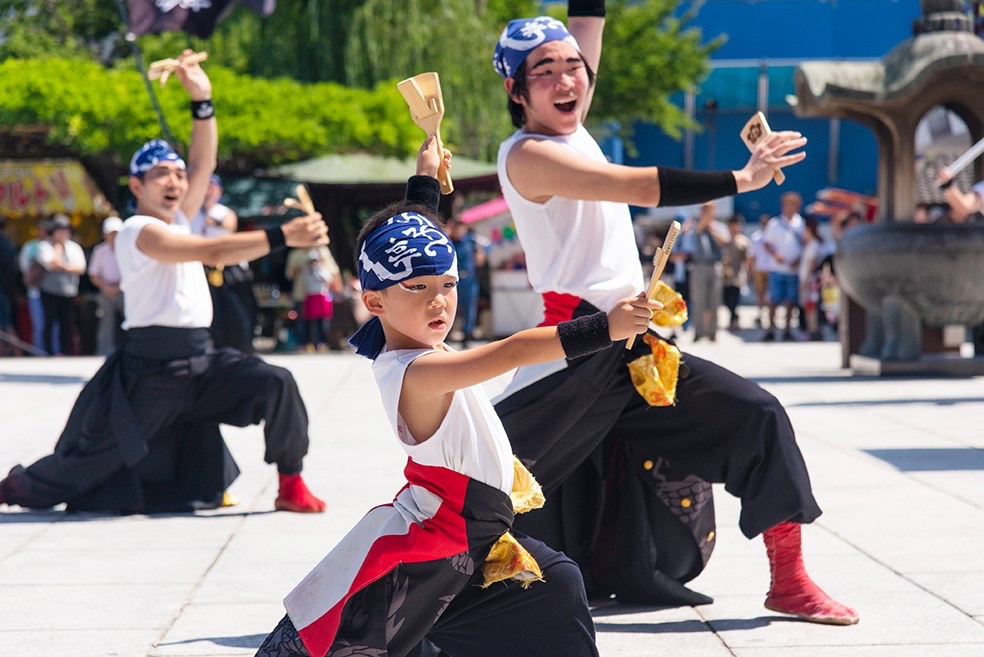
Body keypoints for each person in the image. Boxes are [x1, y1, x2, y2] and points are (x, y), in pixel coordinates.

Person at [491, 5, 857, 625]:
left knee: (755, 414)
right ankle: (419, 595)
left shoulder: (570, 114)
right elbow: (636, 186)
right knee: (489, 481)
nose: (566, 79)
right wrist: (742, 178)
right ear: (515, 90)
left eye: (573, 67)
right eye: (544, 71)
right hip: (571, 347)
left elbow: (588, 23)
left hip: (632, 345)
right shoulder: (529, 154)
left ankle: (789, 581)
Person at [255, 134, 653, 657]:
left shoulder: (408, 337)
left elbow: (414, 247)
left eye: (447, 284)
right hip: (438, 547)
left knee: (556, 586)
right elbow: (510, 351)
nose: (438, 300)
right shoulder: (416, 370)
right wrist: (604, 328)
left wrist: (423, 186)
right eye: (418, 290)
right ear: (373, 301)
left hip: (475, 535)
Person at [0, 51, 326, 515]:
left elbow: (204, 157)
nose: (174, 181)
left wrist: (203, 100)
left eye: (178, 173)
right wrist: (281, 236)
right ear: (137, 187)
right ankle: (12, 490)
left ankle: (291, 483)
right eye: (160, 175)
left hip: (202, 358)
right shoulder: (137, 231)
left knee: (277, 382)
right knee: (91, 463)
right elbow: (212, 252)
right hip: (152, 369)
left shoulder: (182, 218)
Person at [191, 174, 257, 353]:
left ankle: (241, 348)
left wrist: (213, 220)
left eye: (212, 187)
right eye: (205, 186)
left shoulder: (223, 211)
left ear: (219, 191)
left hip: (227, 268)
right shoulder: (191, 213)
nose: (208, 190)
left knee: (236, 312)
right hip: (201, 268)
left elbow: (230, 224)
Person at [37, 213, 86, 355]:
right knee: (49, 322)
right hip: (49, 291)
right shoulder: (45, 246)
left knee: (68, 323)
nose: (63, 233)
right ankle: (48, 352)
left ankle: (67, 352)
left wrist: (62, 266)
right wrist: (58, 247)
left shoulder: (74, 247)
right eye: (60, 230)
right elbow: (51, 264)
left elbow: (80, 268)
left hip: (69, 290)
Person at [679, 201, 728, 341]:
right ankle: (698, 332)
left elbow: (724, 242)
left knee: (715, 300)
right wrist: (702, 225)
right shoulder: (694, 228)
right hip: (699, 266)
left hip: (715, 266)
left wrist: (711, 228)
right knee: (698, 299)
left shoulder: (719, 227)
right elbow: (690, 242)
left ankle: (713, 332)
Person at [762, 192, 804, 341]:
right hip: (777, 268)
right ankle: (770, 329)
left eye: (793, 204)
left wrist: (799, 259)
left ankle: (787, 330)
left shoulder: (801, 224)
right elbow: (767, 244)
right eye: (788, 204)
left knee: (790, 301)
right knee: (773, 300)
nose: (790, 208)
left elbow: (806, 243)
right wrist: (776, 255)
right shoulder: (775, 224)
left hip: (793, 269)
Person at [445, 217, 487, 346]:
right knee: (451, 307)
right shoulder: (448, 241)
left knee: (470, 308)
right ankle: (447, 334)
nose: (459, 230)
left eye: (461, 228)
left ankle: (467, 335)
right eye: (457, 228)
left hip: (470, 279)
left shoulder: (471, 240)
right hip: (454, 281)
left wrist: (481, 254)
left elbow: (487, 245)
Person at [88, 214, 125, 355]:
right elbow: (93, 274)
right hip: (105, 290)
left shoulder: (129, 249)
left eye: (116, 233)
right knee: (105, 322)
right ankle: (104, 352)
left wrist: (120, 286)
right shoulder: (100, 251)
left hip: (125, 290)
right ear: (105, 235)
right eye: (111, 233)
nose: (114, 236)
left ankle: (130, 350)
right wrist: (105, 287)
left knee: (131, 322)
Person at [18, 217, 51, 350]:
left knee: (53, 325)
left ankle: (55, 351)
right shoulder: (30, 246)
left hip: (52, 290)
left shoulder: (53, 245)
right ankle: (39, 350)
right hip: (35, 291)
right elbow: (24, 267)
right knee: (38, 324)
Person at [299, 247, 339, 353]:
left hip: (321, 297)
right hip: (312, 297)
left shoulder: (321, 270)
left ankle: (322, 343)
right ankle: (312, 343)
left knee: (323, 322)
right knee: (312, 322)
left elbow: (328, 280)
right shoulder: (306, 272)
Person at [721, 213, 751, 330]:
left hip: (738, 275)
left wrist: (749, 274)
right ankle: (733, 317)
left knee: (735, 299)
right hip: (726, 275)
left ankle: (733, 319)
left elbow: (747, 259)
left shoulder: (743, 241)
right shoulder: (725, 240)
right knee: (726, 299)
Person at [798, 217, 825, 341]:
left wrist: (806, 281)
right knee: (809, 307)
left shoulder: (814, 244)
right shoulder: (809, 244)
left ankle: (813, 330)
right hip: (807, 279)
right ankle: (811, 330)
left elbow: (812, 264)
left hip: (810, 281)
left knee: (811, 307)